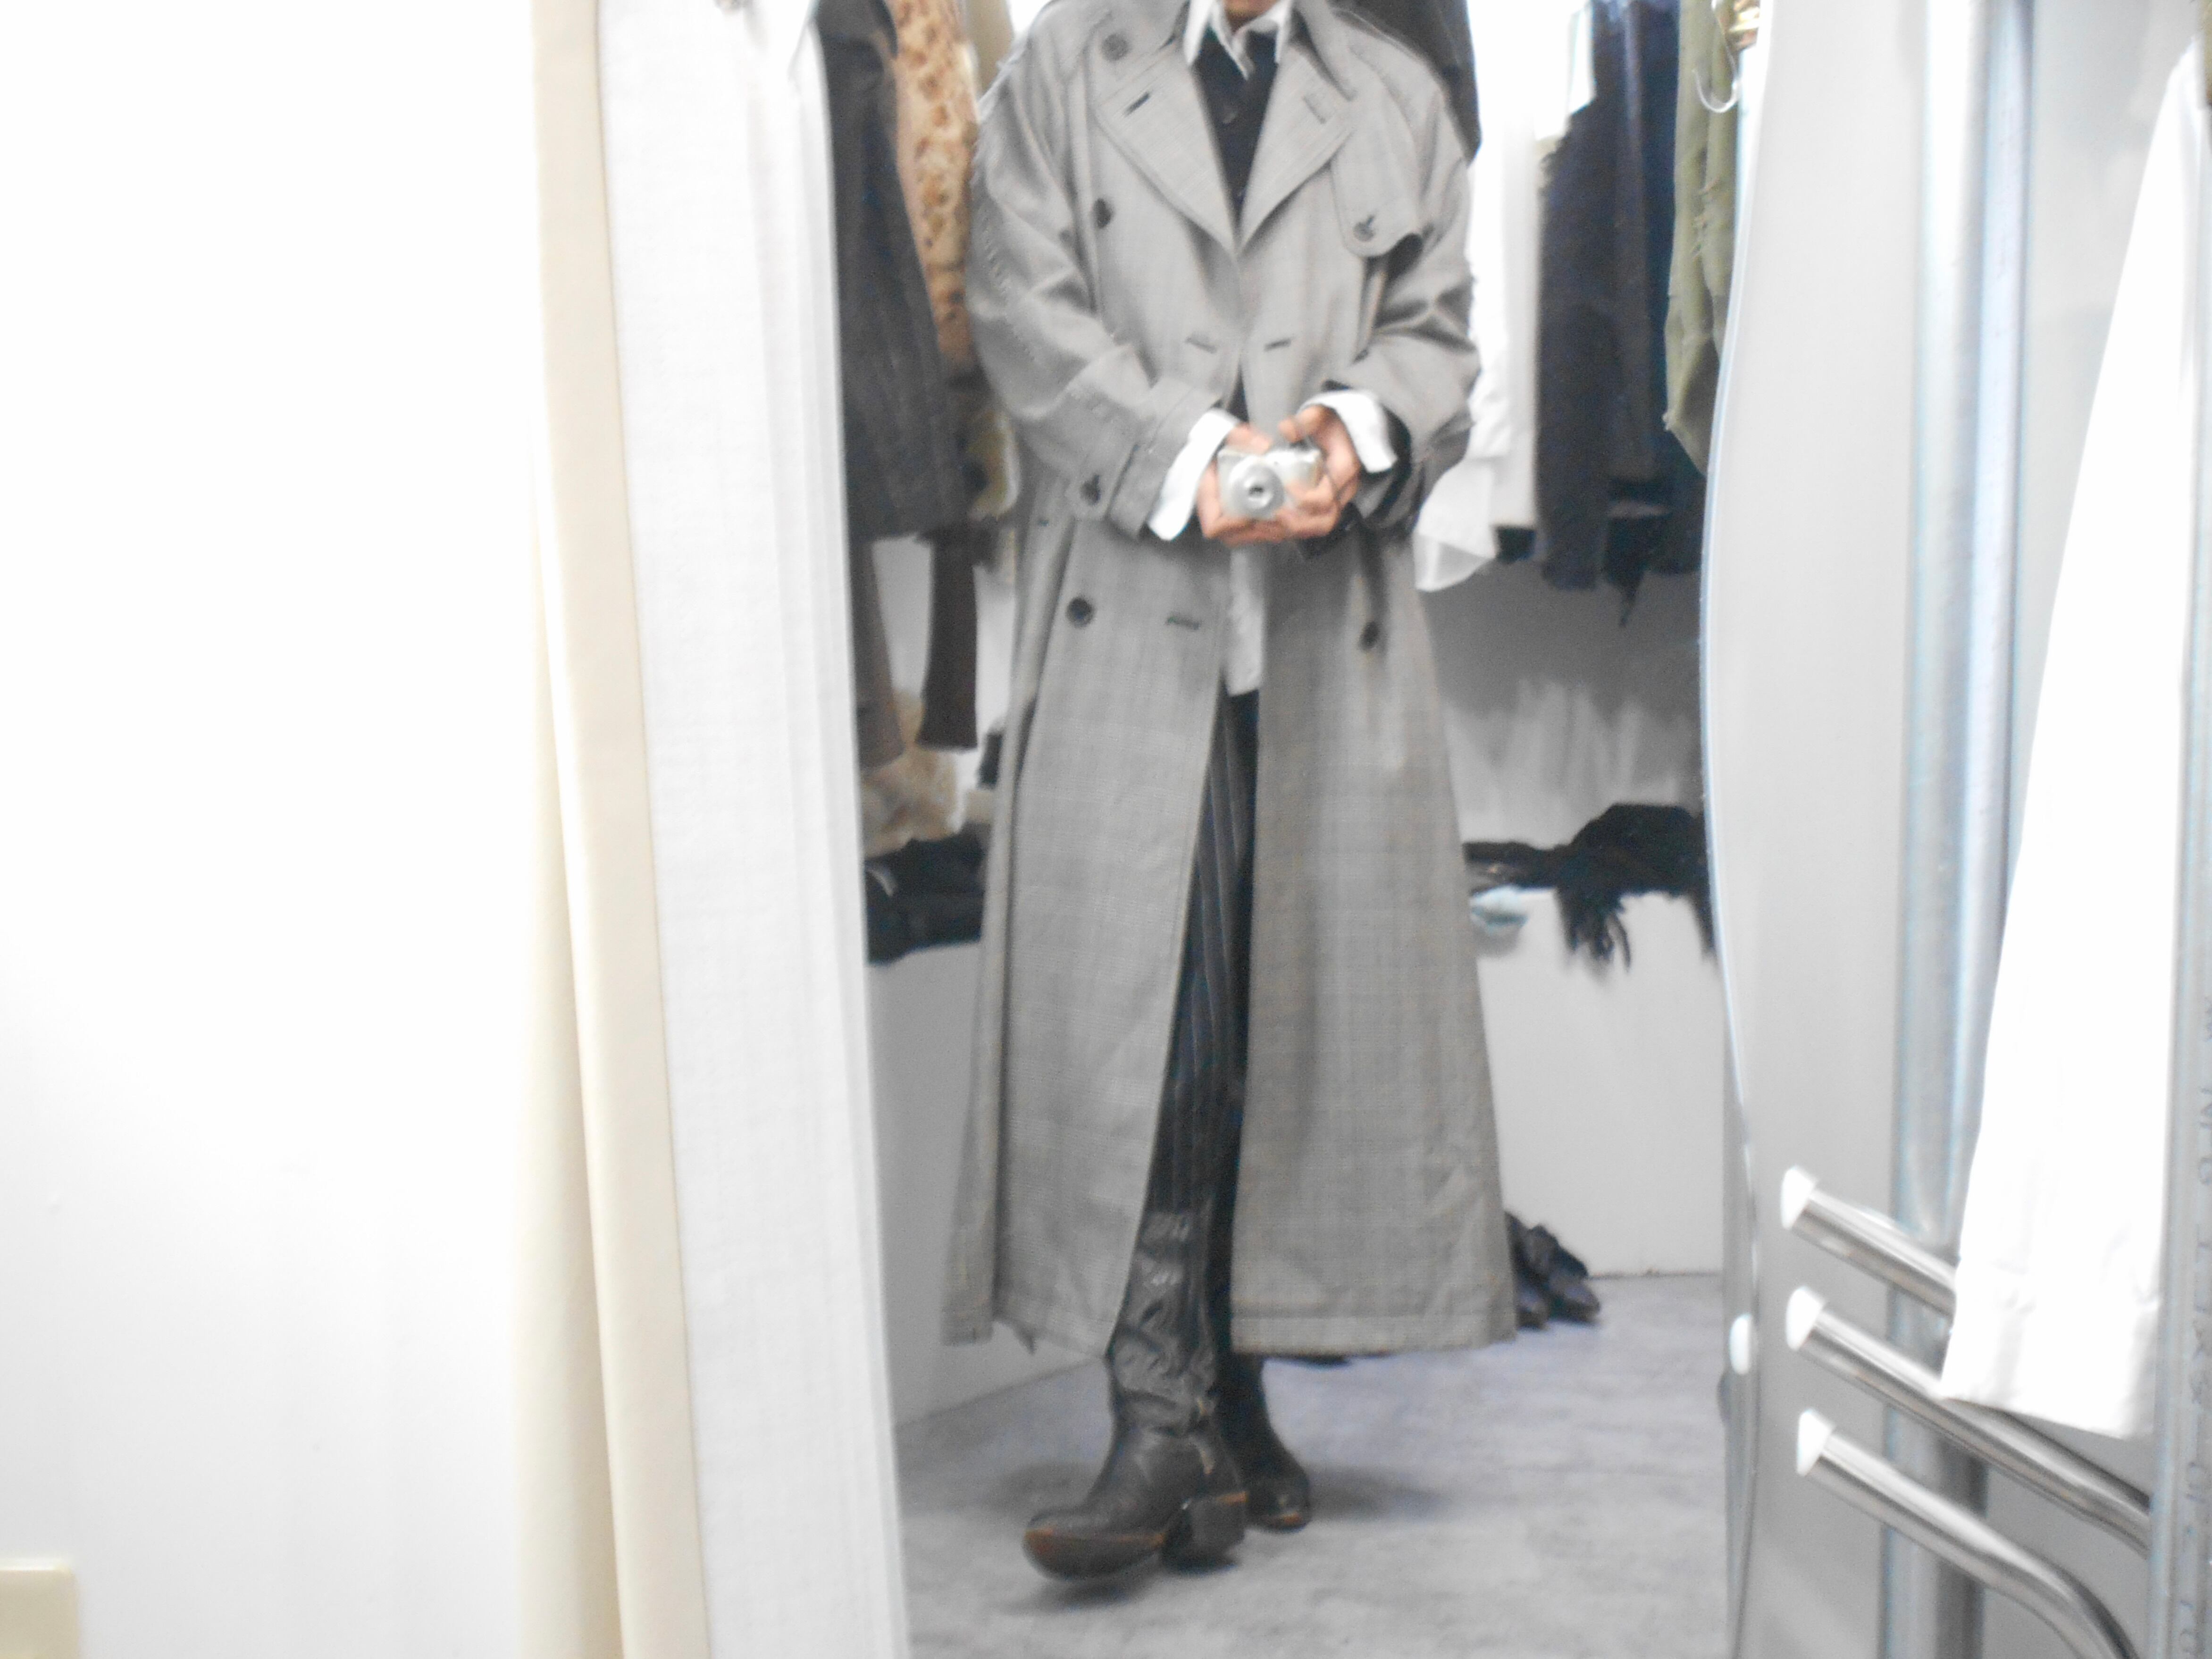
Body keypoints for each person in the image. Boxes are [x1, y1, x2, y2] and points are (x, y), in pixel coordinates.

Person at [941, 0, 1515, 1581]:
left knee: (1284, 1026)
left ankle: (1230, 1398)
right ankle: (1158, 1412)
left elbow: (1440, 331)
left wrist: (1349, 433)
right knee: (1161, 1032)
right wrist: (1192, 460)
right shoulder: (1064, 72)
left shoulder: (1391, 93)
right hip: (1132, 623)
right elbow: (1023, 311)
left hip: (1328, 644)